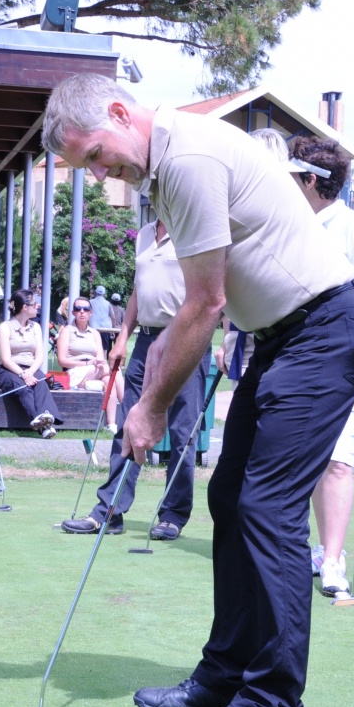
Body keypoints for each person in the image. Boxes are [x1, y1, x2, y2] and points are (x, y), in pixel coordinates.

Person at [42, 73, 354, 707]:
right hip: (281, 338)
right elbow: (192, 309)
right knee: (229, 496)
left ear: (119, 113)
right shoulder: (162, 168)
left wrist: (151, 406)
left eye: (96, 155)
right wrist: (150, 377)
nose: (100, 173)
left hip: (322, 332)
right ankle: (224, 677)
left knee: (267, 509)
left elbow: (205, 303)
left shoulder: (187, 158)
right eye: (87, 168)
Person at [60, 218, 210, 542]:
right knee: (129, 425)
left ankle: (172, 515)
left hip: (186, 340)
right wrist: (122, 338)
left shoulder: (192, 227)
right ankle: (109, 510)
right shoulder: (144, 235)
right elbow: (138, 293)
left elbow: (206, 292)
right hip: (145, 341)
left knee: (182, 433)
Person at [288, 135, 354, 605]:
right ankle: (315, 549)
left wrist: (327, 334)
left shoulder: (352, 226)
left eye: (293, 176)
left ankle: (332, 560)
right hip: (296, 360)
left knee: (339, 460)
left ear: (311, 180)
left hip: (346, 363)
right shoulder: (289, 223)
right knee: (310, 460)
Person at [0, 289, 63, 438]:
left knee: (41, 383)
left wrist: (30, 372)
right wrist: (23, 374)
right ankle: (42, 424)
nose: (37, 306)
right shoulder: (5, 327)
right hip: (8, 370)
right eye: (34, 303)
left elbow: (40, 356)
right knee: (23, 387)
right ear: (25, 307)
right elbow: (6, 359)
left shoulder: (35, 327)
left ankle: (45, 421)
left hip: (30, 368)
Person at [56, 297, 122, 430]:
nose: (82, 311)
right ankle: (128, 407)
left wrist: (97, 362)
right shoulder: (67, 331)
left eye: (86, 309)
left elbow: (100, 357)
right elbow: (62, 361)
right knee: (116, 370)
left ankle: (111, 425)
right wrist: (87, 364)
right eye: (78, 309)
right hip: (74, 372)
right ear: (73, 312)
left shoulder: (95, 333)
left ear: (90, 313)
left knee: (109, 380)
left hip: (95, 370)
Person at [89, 284, 115, 353]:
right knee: (104, 349)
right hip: (105, 329)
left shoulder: (90, 302)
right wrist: (113, 329)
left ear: (95, 293)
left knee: (93, 347)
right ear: (104, 294)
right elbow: (113, 317)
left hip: (93, 328)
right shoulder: (107, 303)